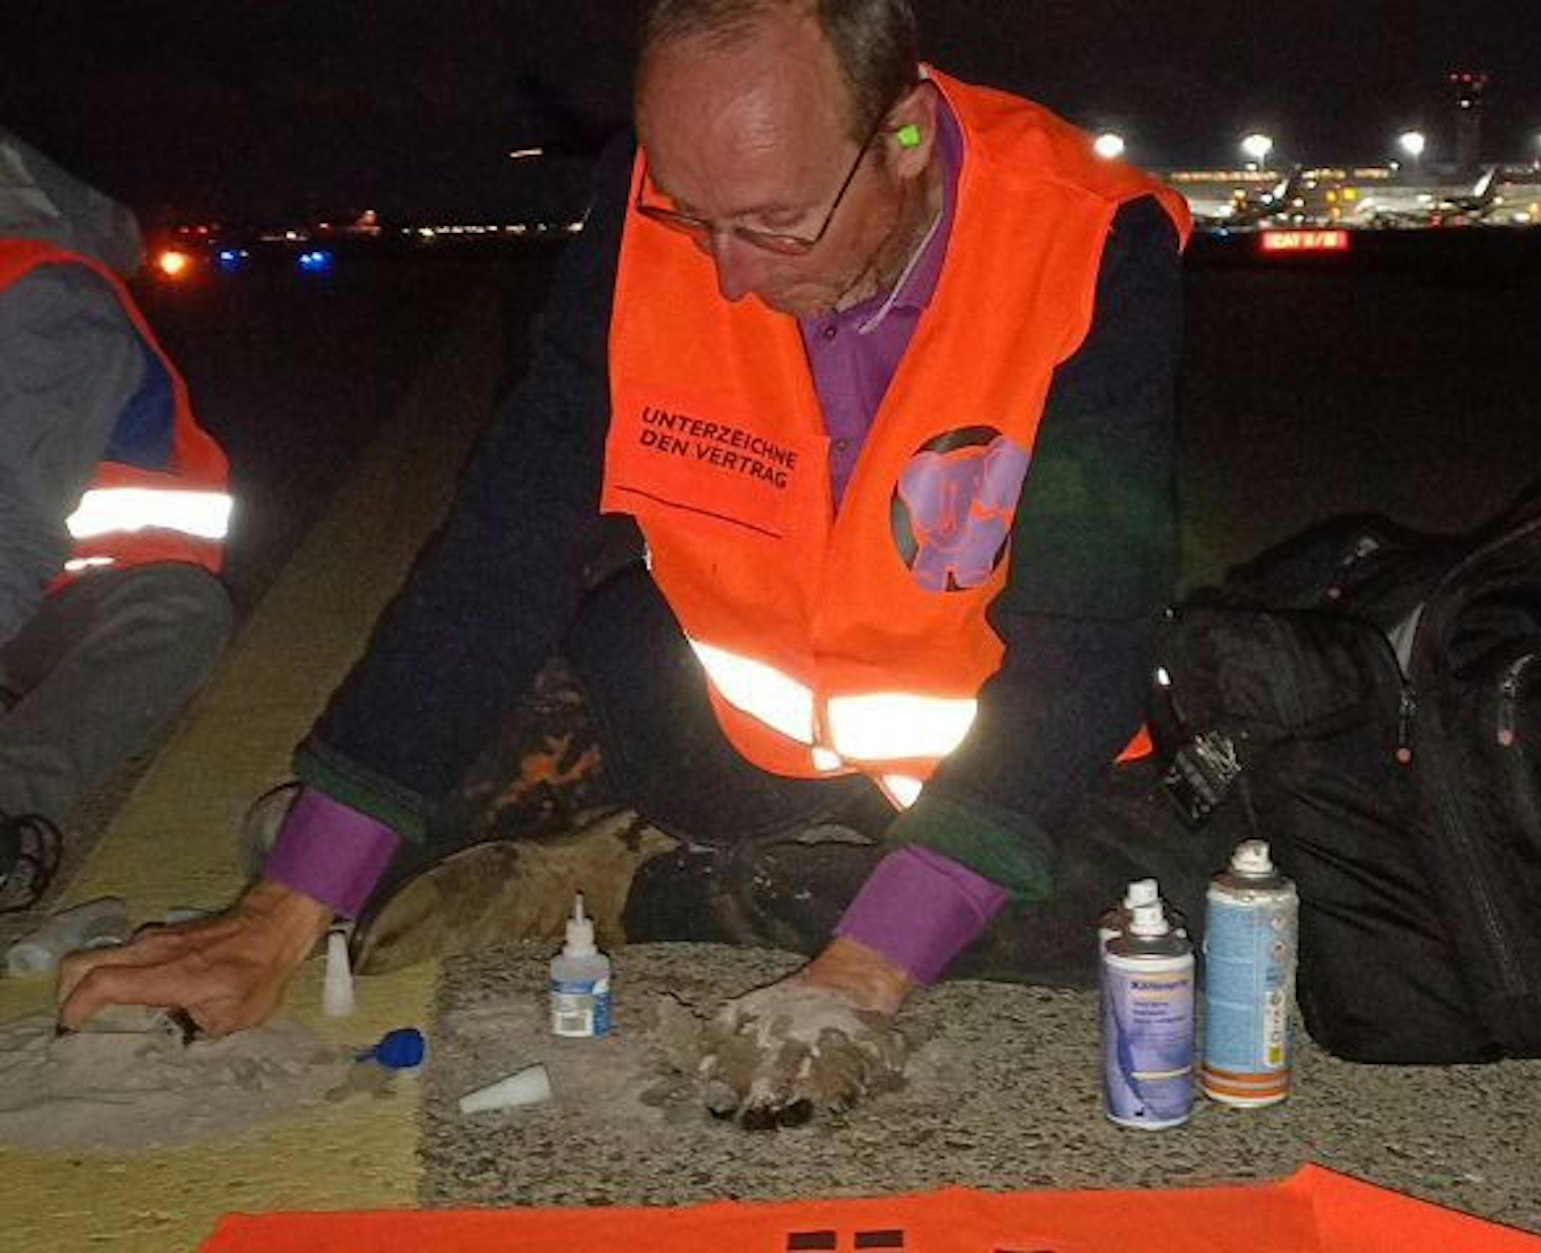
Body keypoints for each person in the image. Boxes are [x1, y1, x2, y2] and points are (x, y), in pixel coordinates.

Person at [61, 0, 1224, 1125]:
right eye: (691, 216)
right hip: (724, 720)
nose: (726, 277)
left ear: (905, 135)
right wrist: (280, 911)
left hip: (994, 747)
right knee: (331, 822)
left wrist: (861, 974)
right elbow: (502, 553)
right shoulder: (652, 214)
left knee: (1151, 924)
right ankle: (560, 851)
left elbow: (1085, 641)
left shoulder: (1080, 241)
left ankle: (637, 887)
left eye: (774, 223)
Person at [0, 129, 234, 907]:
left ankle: (12, 800)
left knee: (177, 613)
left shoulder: (39, 302)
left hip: (73, 598)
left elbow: (15, 536)